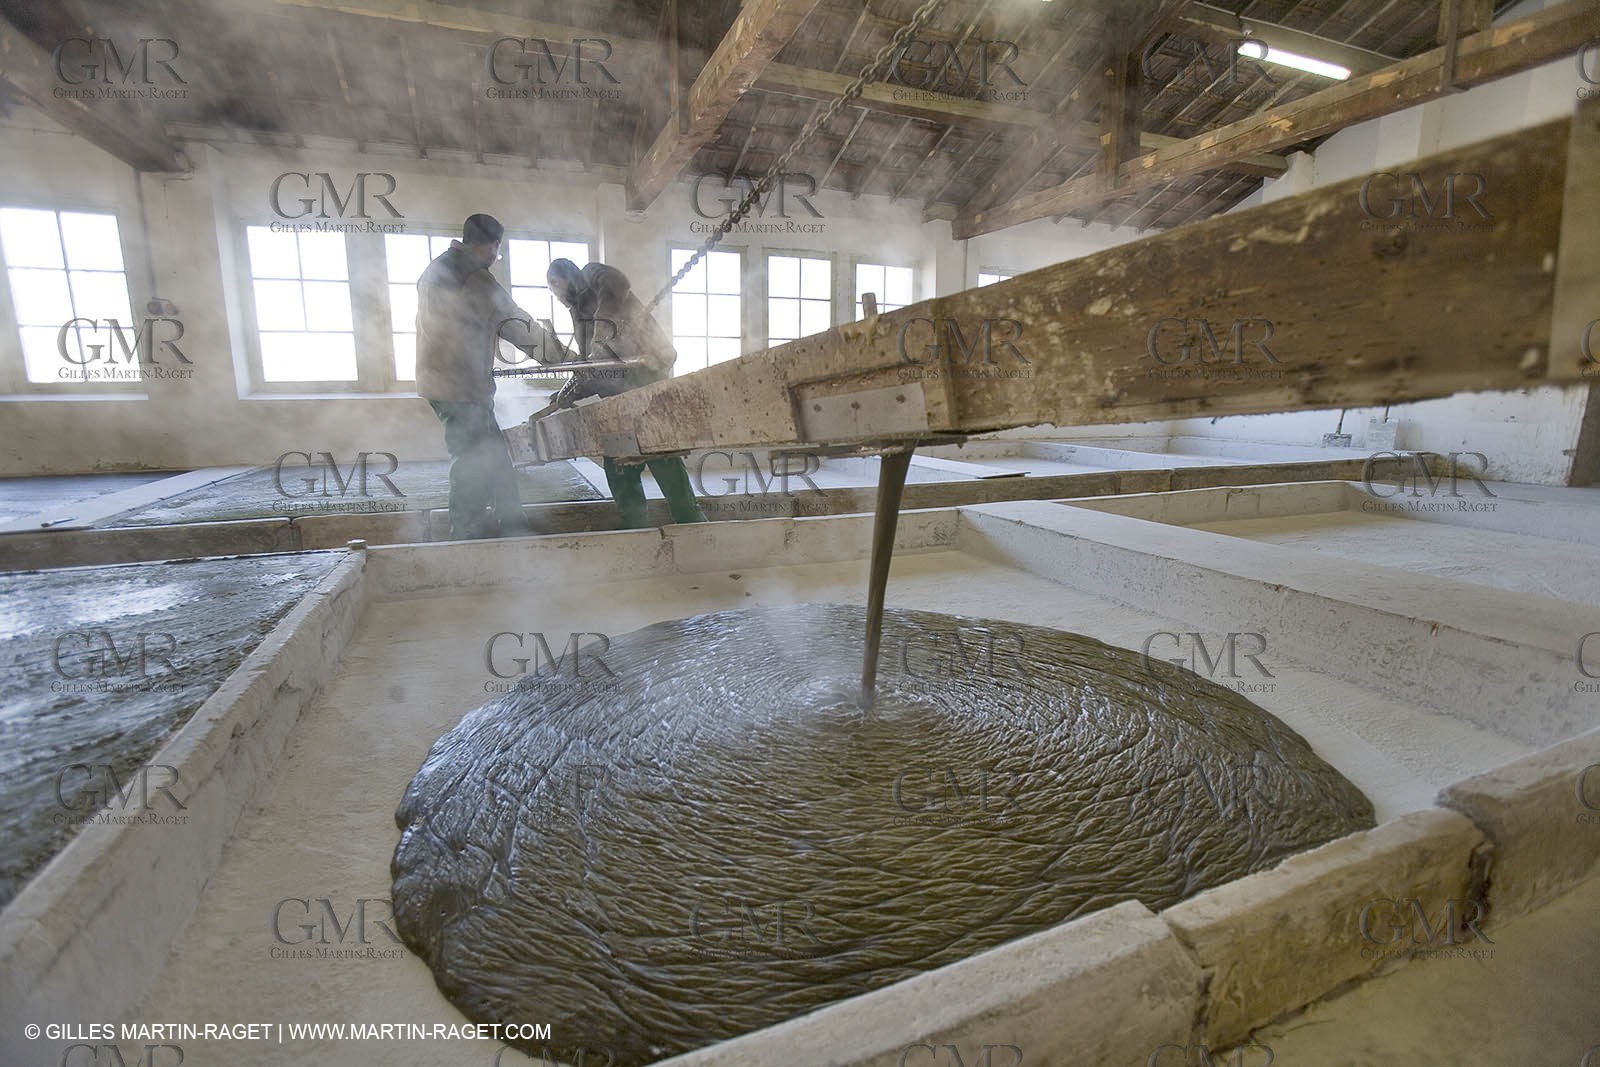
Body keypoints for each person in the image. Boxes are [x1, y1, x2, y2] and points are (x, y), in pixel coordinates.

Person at [416, 214, 565, 539]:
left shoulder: (436, 269)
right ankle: (465, 537)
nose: (496, 257)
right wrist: (565, 358)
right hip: (460, 389)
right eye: (498, 251)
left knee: (496, 457)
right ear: (493, 245)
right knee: (472, 461)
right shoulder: (473, 278)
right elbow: (518, 325)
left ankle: (513, 525)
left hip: (442, 383)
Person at [545, 259, 707, 529]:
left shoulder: (593, 276)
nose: (556, 296)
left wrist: (601, 332)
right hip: (617, 400)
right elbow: (594, 369)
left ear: (558, 281)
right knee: (619, 465)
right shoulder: (577, 312)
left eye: (554, 288)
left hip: (646, 385)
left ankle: (692, 523)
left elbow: (617, 283)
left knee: (663, 457)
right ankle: (635, 526)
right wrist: (569, 392)